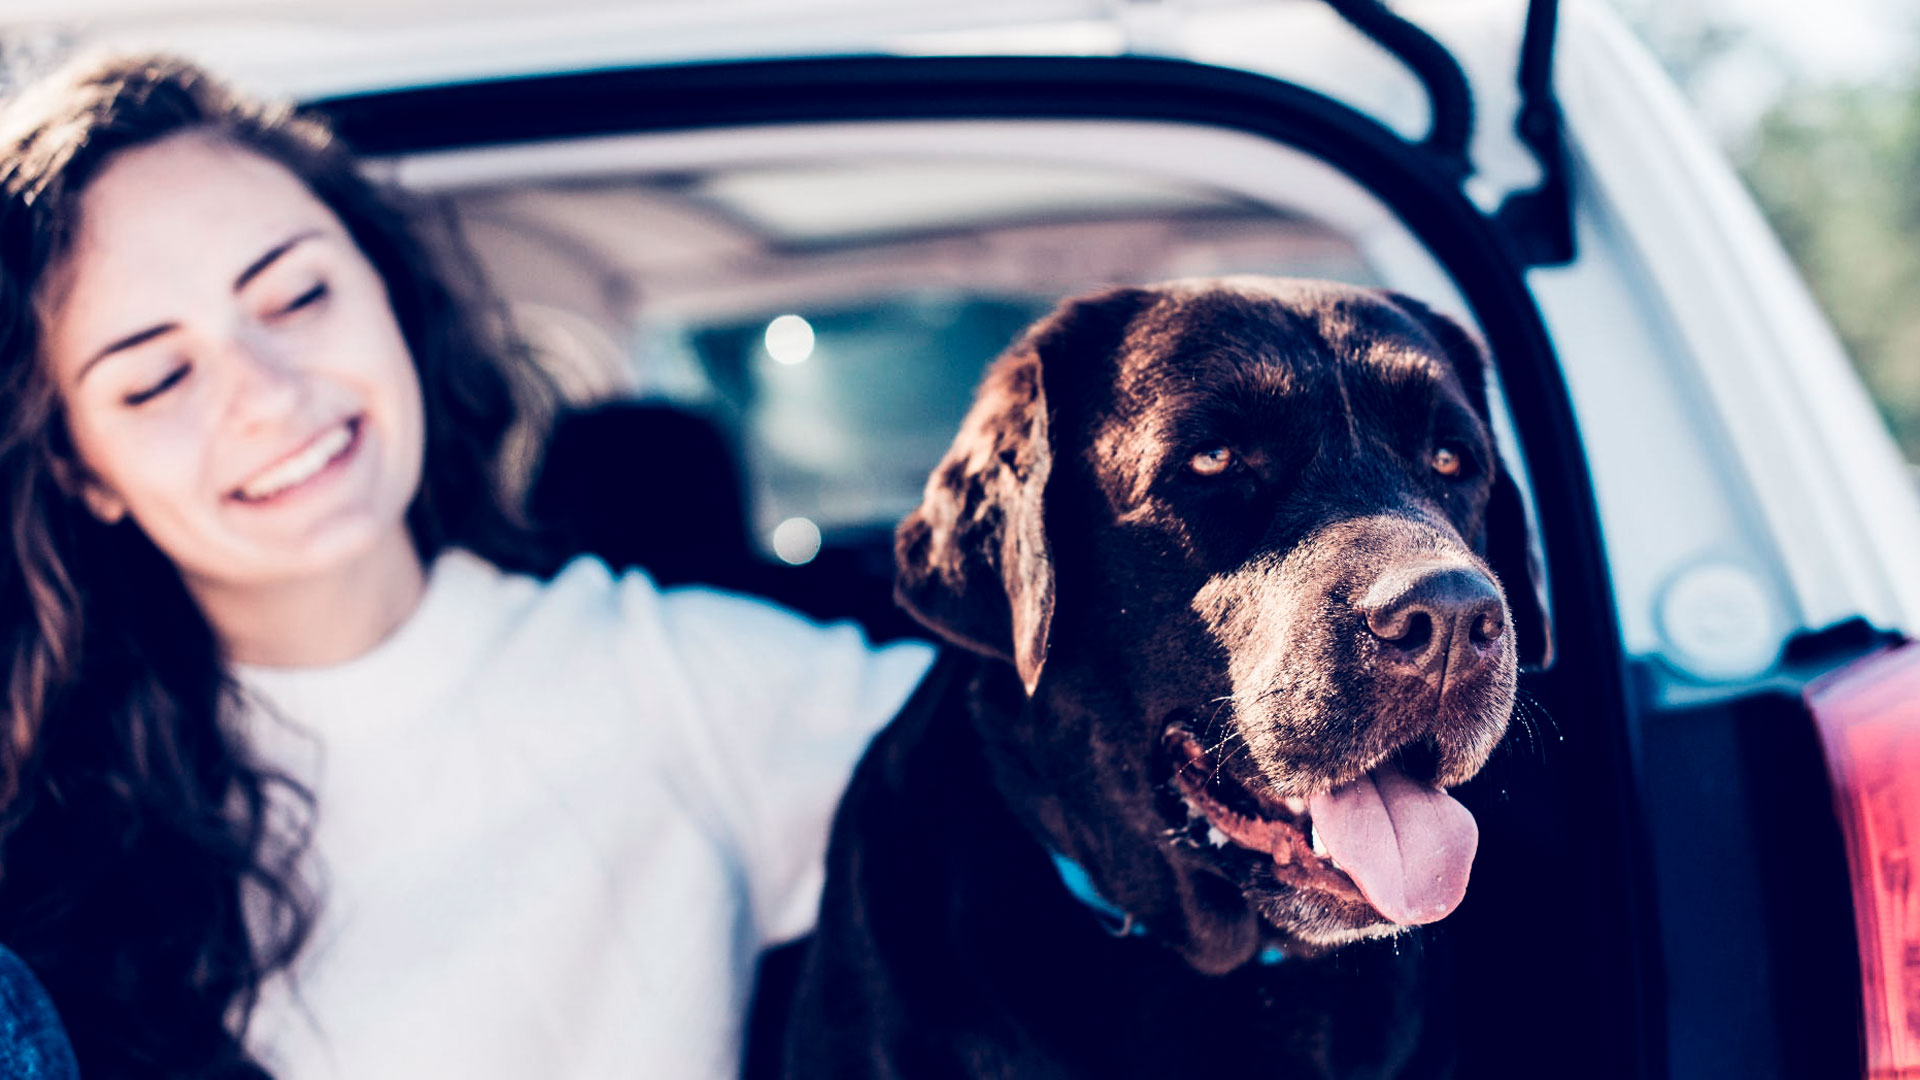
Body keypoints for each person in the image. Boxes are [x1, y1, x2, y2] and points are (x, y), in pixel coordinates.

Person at [0, 52, 934, 1078]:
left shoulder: (673, 674)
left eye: (297, 296)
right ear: (81, 468)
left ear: (386, 292)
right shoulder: (43, 836)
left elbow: (1053, 788)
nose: (264, 394)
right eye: (161, 375)